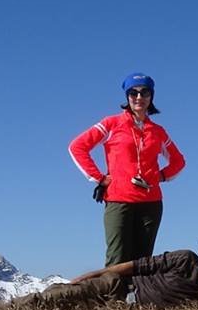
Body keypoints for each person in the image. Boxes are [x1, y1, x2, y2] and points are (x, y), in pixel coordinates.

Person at [69, 73, 186, 266]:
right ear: (127, 96)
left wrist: (161, 176)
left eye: (144, 92)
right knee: (117, 257)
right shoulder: (111, 124)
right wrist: (98, 178)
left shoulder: (157, 131)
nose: (139, 97)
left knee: (143, 260)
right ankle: (114, 297)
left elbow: (179, 161)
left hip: (151, 202)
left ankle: (140, 296)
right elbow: (77, 146)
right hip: (119, 200)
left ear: (151, 96)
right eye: (133, 93)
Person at [14, 243, 198, 310]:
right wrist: (96, 273)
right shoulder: (185, 259)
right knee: (58, 297)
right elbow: (136, 266)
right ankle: (10, 309)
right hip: (119, 287)